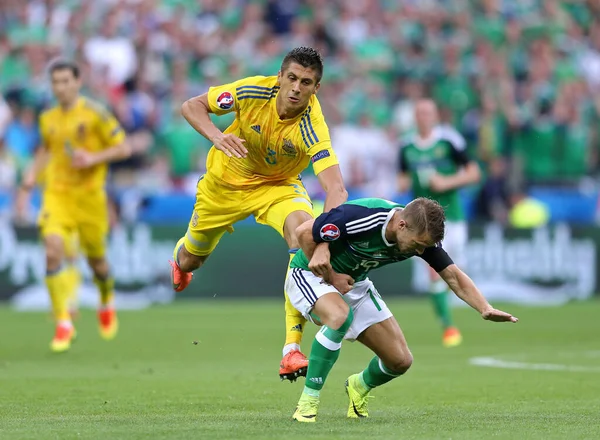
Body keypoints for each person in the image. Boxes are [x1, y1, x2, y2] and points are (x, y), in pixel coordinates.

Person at [169, 47, 347, 381]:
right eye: (291, 78)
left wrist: (323, 242)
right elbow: (191, 106)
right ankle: (179, 262)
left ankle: (291, 350)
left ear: (315, 89)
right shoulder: (252, 90)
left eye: (305, 82)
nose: (296, 88)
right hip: (223, 185)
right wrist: (218, 137)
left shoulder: (312, 125)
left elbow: (336, 189)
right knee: (191, 259)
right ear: (280, 76)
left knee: (303, 235)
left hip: (277, 187)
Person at [286, 197, 517, 422]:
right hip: (310, 275)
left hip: (353, 283)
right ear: (401, 225)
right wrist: (332, 276)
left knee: (400, 361)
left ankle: (358, 386)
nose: (419, 252)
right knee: (340, 316)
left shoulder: (421, 236)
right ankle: (308, 402)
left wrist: (484, 308)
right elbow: (304, 232)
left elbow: (453, 276)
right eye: (417, 245)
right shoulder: (363, 217)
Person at [17, 59, 131, 352]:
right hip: (57, 194)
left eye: (66, 81)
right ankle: (63, 323)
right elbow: (45, 150)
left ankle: (106, 298)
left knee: (97, 263)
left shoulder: (95, 113)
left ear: (78, 82)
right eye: (56, 82)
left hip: (90, 197)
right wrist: (32, 174)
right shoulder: (48, 118)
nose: (61, 87)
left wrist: (92, 159)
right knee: (52, 249)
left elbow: (124, 147)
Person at [397, 99, 481, 347]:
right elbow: (401, 178)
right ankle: (448, 327)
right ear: (415, 117)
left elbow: (474, 173)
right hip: (422, 221)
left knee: (455, 270)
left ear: (435, 116)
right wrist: (402, 184)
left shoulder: (449, 141)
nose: (423, 117)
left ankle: (458, 311)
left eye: (428, 113)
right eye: (419, 113)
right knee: (434, 270)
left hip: (452, 217)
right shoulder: (406, 146)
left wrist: (446, 182)